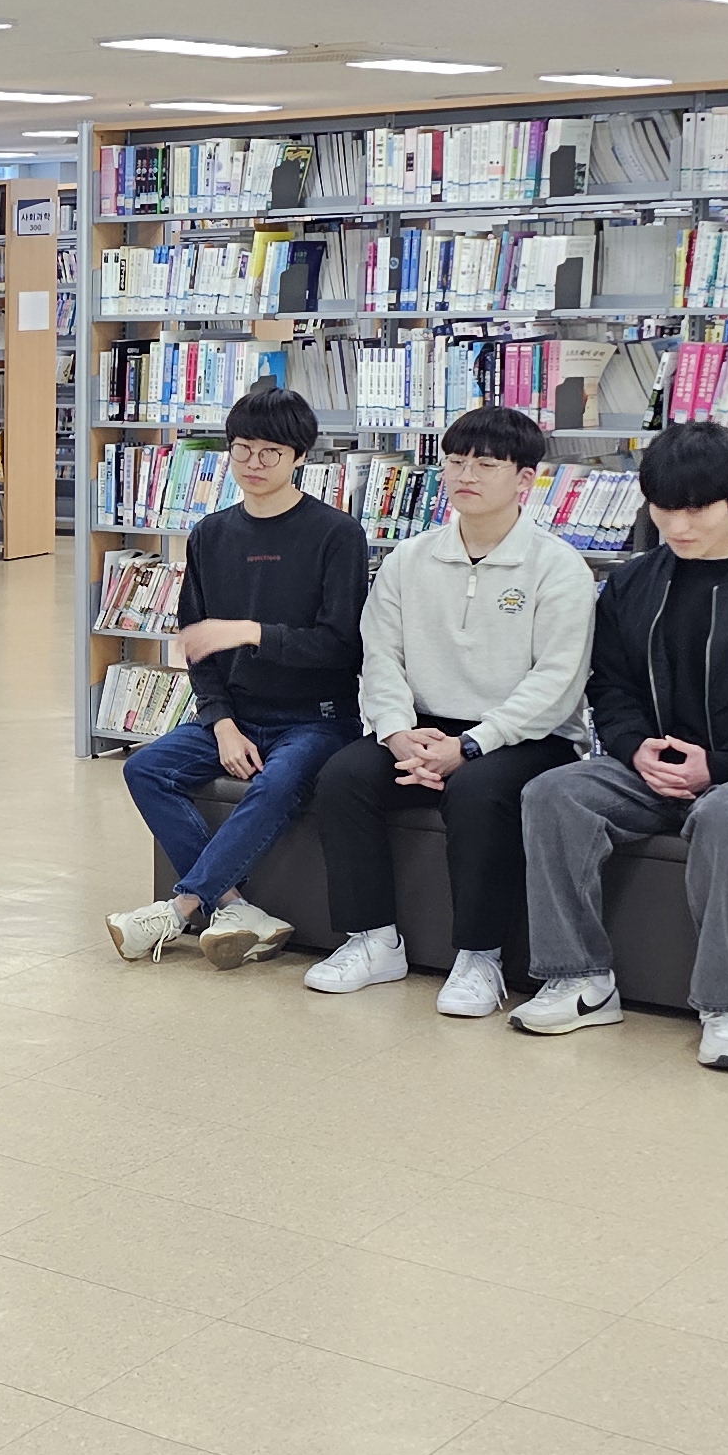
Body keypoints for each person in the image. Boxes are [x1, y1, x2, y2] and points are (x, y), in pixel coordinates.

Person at [511, 421, 728, 1068]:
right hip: (651, 768)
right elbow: (609, 685)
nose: (678, 525)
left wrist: (719, 765)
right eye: (663, 509)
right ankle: (579, 978)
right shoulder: (633, 583)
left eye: (696, 509)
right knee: (553, 793)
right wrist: (633, 746)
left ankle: (725, 1007)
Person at [302, 403, 596, 1012]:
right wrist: (396, 733)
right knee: (344, 776)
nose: (465, 475)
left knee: (477, 791)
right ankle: (374, 939)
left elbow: (557, 681)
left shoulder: (557, 566)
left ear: (524, 479)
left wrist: (473, 744)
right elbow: (380, 655)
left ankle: (480, 958)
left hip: (528, 737)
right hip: (424, 728)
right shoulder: (409, 559)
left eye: (485, 464)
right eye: (456, 461)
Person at [107, 382, 366, 966]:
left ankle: (179, 909)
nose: (254, 463)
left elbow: (340, 647)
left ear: (300, 457)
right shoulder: (211, 533)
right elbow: (199, 647)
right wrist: (222, 723)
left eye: (271, 452)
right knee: (146, 767)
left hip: (316, 719)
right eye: (242, 449)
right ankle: (233, 906)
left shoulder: (336, 534)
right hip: (239, 715)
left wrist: (249, 631)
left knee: (276, 783)